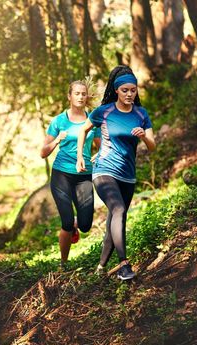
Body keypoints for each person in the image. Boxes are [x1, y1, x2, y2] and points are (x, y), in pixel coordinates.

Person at [76, 66, 156, 280]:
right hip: (104, 170)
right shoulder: (105, 111)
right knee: (118, 209)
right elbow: (83, 130)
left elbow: (153, 145)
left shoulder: (141, 114)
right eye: (125, 90)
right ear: (117, 91)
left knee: (116, 219)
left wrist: (144, 137)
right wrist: (81, 156)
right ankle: (124, 265)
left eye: (133, 90)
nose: (130, 94)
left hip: (127, 175)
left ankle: (100, 268)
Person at [41, 80, 100, 270]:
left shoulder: (92, 120)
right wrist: (57, 139)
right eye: (77, 93)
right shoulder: (59, 121)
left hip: (83, 175)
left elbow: (101, 147)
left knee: (85, 225)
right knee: (66, 223)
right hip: (61, 175)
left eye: (83, 94)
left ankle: (76, 223)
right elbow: (43, 152)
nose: (81, 97)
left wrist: (97, 157)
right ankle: (64, 263)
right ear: (69, 96)